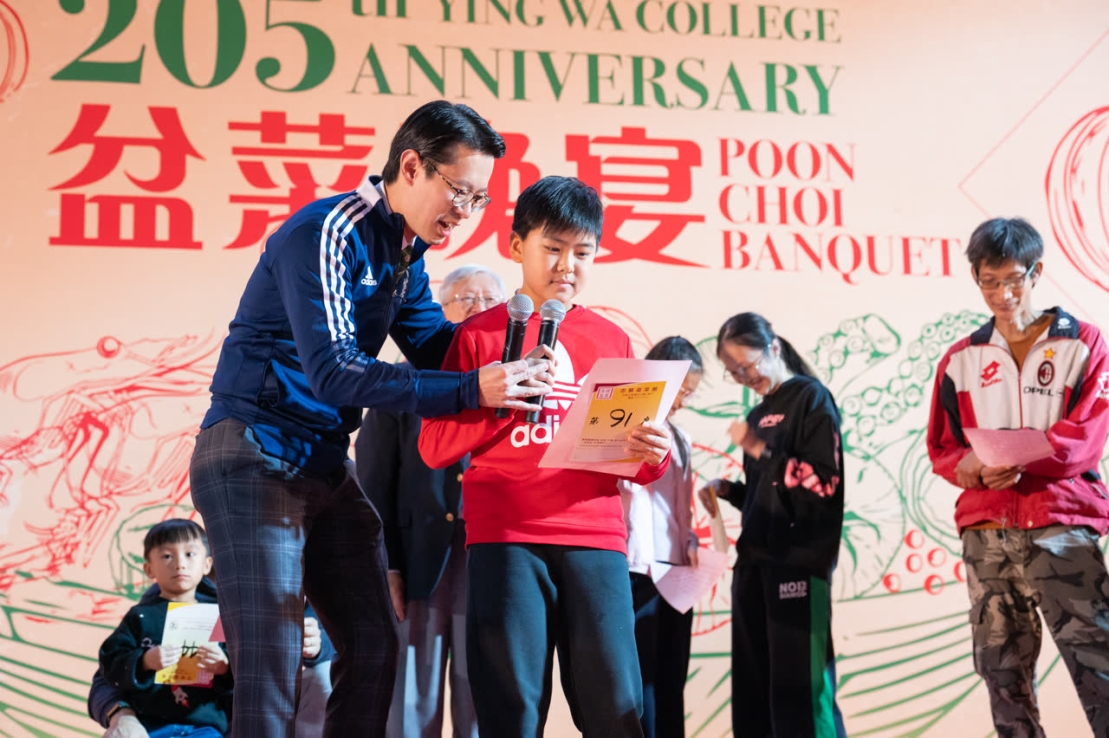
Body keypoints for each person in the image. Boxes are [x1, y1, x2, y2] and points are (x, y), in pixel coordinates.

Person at [188, 100, 555, 737]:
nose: (466, 212)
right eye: (460, 191)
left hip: (324, 462)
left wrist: (528, 337)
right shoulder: (326, 232)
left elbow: (439, 348)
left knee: (376, 647)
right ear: (411, 167)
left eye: (479, 199)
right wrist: (474, 387)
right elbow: (335, 371)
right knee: (274, 660)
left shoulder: (405, 254)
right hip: (254, 452)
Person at [419, 175, 674, 737]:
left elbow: (630, 457)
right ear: (517, 246)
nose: (567, 265)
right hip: (506, 538)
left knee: (617, 707)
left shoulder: (611, 338)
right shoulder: (478, 335)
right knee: (511, 710)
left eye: (582, 252)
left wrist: (652, 456)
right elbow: (433, 447)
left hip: (595, 540)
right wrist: (496, 398)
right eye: (552, 248)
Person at [926, 217, 1109, 737]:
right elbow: (943, 447)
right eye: (990, 282)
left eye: (1013, 280)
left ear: (1036, 273)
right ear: (975, 278)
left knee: (1097, 661)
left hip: (1061, 524)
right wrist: (973, 469)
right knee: (1001, 671)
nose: (1003, 294)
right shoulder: (960, 359)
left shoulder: (1083, 343)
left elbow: (1086, 436)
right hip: (987, 532)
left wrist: (1022, 459)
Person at [357, 264, 507, 738]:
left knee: (482, 688)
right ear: (441, 313)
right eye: (467, 299)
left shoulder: (520, 385)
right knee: (411, 695)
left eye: (490, 300)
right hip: (418, 560)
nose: (479, 308)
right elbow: (373, 483)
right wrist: (387, 566)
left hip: (492, 556)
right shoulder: (404, 382)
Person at [698, 313, 845, 738]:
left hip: (799, 564)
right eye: (734, 373)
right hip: (753, 565)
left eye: (747, 366)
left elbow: (823, 484)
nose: (744, 378)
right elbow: (770, 494)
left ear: (774, 348)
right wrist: (730, 490)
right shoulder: (759, 413)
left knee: (802, 693)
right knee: (754, 692)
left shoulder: (811, 399)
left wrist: (758, 449)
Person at [90, 584, 334, 738]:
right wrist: (122, 716)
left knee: (323, 675)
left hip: (267, 720)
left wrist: (318, 646)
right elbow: (108, 676)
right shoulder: (183, 585)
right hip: (197, 724)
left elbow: (342, 650)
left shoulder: (317, 591)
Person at [619, 336, 704, 738]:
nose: (683, 401)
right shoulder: (628, 427)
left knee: (672, 678)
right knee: (643, 680)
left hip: (678, 575)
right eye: (681, 390)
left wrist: (691, 545)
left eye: (690, 393)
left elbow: (678, 511)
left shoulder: (681, 439)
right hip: (639, 570)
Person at [97, 519, 232, 737]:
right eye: (167, 556)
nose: (180, 564)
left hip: (204, 727)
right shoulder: (140, 616)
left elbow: (243, 676)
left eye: (190, 554)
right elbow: (109, 661)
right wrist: (144, 661)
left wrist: (224, 668)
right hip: (148, 726)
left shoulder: (220, 616)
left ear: (207, 564)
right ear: (148, 568)